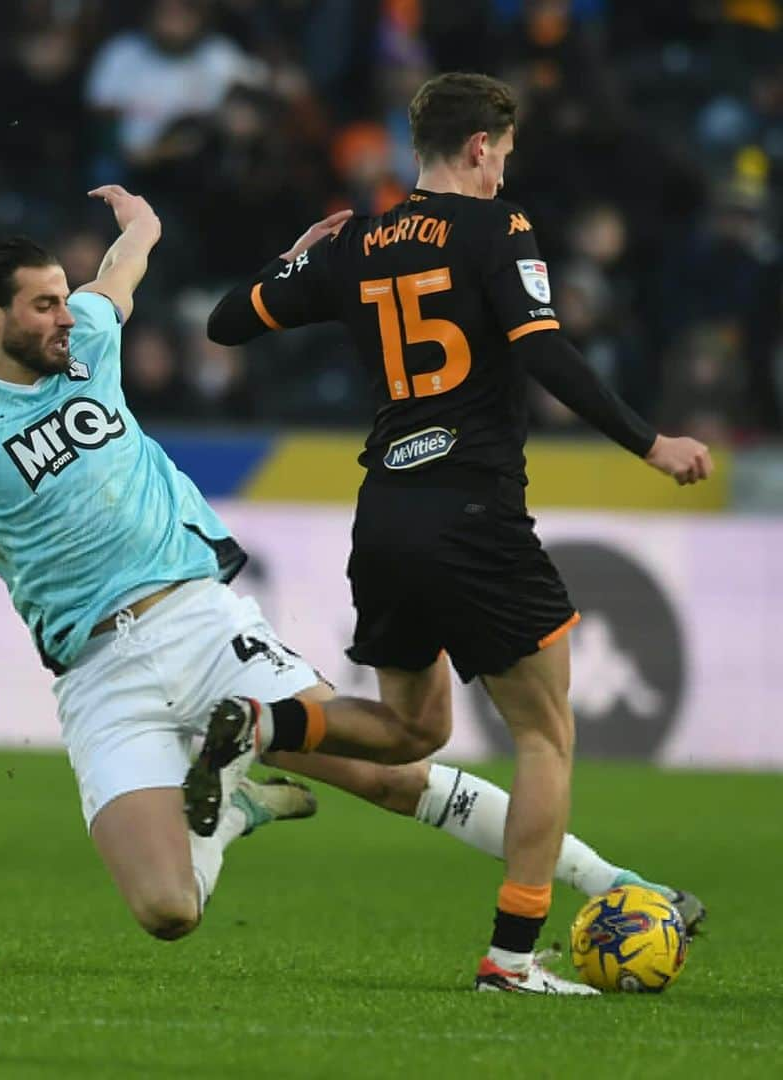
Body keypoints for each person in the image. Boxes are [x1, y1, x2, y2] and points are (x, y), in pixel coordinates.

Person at [0, 184, 700, 966]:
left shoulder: (90, 340)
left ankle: (617, 884)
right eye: (44, 305)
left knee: (396, 776)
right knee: (168, 912)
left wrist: (141, 224)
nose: (68, 316)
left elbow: (125, 271)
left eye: (66, 298)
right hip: (94, 675)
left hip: (196, 615)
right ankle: (238, 802)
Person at [200, 72, 712, 993]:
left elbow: (227, 323)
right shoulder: (497, 225)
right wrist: (650, 441)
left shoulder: (355, 242)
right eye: (503, 154)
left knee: (409, 729)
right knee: (547, 737)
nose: (503, 170)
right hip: (474, 509)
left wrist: (292, 263)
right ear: (481, 147)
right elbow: (542, 346)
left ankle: (262, 722)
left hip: (385, 514)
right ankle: (512, 959)